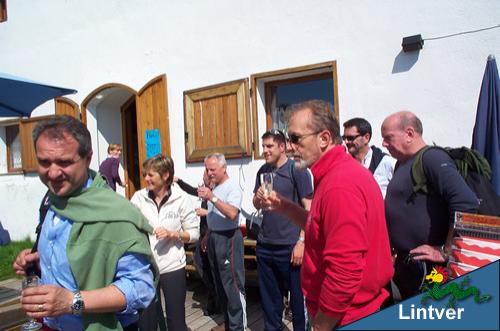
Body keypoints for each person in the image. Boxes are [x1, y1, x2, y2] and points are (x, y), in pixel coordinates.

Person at [12, 115, 156, 331]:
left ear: (88, 159)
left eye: (64, 162)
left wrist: (72, 301)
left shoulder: (116, 214)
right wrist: (38, 259)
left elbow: (140, 289)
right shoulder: (52, 200)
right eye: (44, 162)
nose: (52, 173)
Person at [265, 100, 393, 330]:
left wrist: (320, 327)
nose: (289, 146)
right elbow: (321, 229)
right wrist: (285, 207)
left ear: (324, 139)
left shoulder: (339, 185)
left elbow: (345, 272)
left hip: (346, 317)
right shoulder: (337, 173)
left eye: (295, 138)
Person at [381, 111, 479, 300]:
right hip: (410, 266)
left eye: (388, 138)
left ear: (409, 134)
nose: (384, 144)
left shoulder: (432, 158)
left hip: (430, 270)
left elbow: (465, 203)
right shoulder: (401, 164)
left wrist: (447, 251)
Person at [253, 129, 313, 331]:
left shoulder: (296, 169)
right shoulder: (262, 171)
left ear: (282, 146)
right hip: (265, 245)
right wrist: (259, 198)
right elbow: (255, 204)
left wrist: (302, 242)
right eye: (263, 147)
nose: (265, 151)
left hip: (290, 246)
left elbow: (309, 207)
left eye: (269, 146)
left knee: (298, 303)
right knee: (270, 304)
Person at [131, 154, 199, 331]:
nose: (146, 178)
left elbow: (194, 233)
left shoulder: (181, 199)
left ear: (166, 175)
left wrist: (173, 234)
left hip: (172, 266)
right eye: (145, 174)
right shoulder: (138, 198)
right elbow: (128, 225)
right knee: (146, 322)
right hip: (145, 267)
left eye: (151, 175)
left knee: (176, 322)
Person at [197, 153, 246, 331]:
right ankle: (229, 325)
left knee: (233, 288)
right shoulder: (215, 188)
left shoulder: (232, 187)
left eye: (213, 169)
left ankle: (238, 327)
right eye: (207, 169)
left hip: (229, 239)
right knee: (221, 287)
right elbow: (214, 216)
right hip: (215, 238)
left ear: (224, 168)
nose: (209, 173)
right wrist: (208, 235)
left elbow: (233, 213)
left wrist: (212, 198)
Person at [175, 172, 222, 316]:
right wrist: (179, 181)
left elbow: (223, 212)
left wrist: (205, 212)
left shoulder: (218, 192)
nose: (202, 178)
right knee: (201, 265)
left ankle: (216, 303)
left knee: (212, 270)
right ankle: (214, 298)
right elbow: (191, 190)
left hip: (213, 235)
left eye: (204, 176)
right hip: (203, 235)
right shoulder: (204, 190)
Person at [343, 117, 396, 198]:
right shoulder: (344, 165)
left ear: (366, 138)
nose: (346, 142)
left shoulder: (386, 162)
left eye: (351, 138)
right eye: (344, 138)